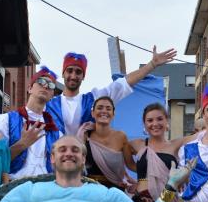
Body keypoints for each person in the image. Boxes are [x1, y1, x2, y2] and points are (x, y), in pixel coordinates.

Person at [0, 135, 195, 202]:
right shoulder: (29, 192)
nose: (69, 153)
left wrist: (171, 185)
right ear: (52, 159)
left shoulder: (106, 196)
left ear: (84, 159)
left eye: (75, 150)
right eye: (62, 150)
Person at [46, 47, 177, 136]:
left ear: (83, 76)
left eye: (78, 72)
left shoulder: (94, 99)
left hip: (85, 167)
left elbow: (125, 82)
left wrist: (151, 65)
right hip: (53, 168)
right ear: (63, 73)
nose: (73, 76)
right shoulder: (49, 105)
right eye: (70, 71)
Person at [0, 67, 61, 180]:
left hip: (46, 191)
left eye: (51, 85)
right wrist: (22, 144)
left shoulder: (56, 132)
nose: (45, 86)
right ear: (29, 88)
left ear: (52, 95)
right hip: (14, 189)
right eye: (41, 81)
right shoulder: (5, 121)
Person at [129, 103, 183, 202]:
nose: (155, 123)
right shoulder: (137, 144)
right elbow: (115, 151)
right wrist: (128, 178)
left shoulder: (176, 145)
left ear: (167, 120)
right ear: (144, 124)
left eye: (159, 119)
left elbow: (202, 136)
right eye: (150, 120)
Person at [75, 96, 134, 189]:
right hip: (90, 190)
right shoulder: (84, 135)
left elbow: (130, 165)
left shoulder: (121, 136)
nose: (104, 111)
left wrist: (147, 176)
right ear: (93, 113)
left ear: (113, 114)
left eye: (108, 109)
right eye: (99, 108)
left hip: (114, 191)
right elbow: (76, 164)